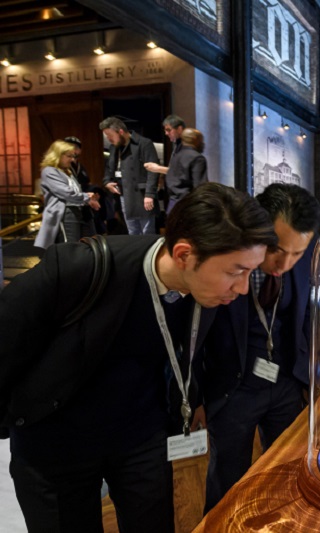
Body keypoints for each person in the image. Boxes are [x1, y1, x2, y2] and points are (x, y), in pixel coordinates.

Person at [0, 182, 275, 532]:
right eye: (235, 271)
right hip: (57, 446)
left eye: (250, 272)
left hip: (140, 437)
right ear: (183, 255)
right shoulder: (81, 269)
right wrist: (17, 420)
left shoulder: (207, 291)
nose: (241, 288)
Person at [202, 183, 320, 513]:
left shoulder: (300, 255)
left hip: (285, 381)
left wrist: (311, 378)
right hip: (233, 387)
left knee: (288, 469)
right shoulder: (226, 258)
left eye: (297, 253)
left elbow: (307, 318)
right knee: (228, 478)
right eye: (277, 249)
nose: (285, 262)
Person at [33, 140, 100, 250]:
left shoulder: (67, 171)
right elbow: (66, 193)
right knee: (70, 247)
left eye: (73, 156)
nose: (72, 160)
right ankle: (70, 267)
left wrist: (89, 199)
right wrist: (87, 197)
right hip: (66, 212)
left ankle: (84, 266)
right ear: (58, 155)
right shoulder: (49, 171)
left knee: (88, 245)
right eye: (69, 156)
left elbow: (75, 192)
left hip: (79, 211)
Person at [100, 116, 160, 235]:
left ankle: (149, 254)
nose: (108, 138)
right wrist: (107, 182)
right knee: (132, 231)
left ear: (121, 131)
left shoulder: (144, 143)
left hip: (142, 195)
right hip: (123, 194)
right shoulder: (113, 148)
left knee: (147, 232)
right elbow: (108, 169)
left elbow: (153, 170)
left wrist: (149, 194)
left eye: (110, 135)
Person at [65, 135, 108, 235]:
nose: (73, 150)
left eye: (76, 147)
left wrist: (93, 194)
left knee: (90, 236)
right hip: (70, 207)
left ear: (80, 150)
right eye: (69, 147)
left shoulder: (81, 167)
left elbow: (87, 183)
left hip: (86, 205)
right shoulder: (61, 166)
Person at [160, 128, 208, 213]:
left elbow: (169, 180)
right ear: (195, 140)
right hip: (188, 207)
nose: (203, 143)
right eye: (201, 140)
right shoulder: (197, 158)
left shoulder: (176, 156)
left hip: (172, 206)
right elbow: (200, 186)